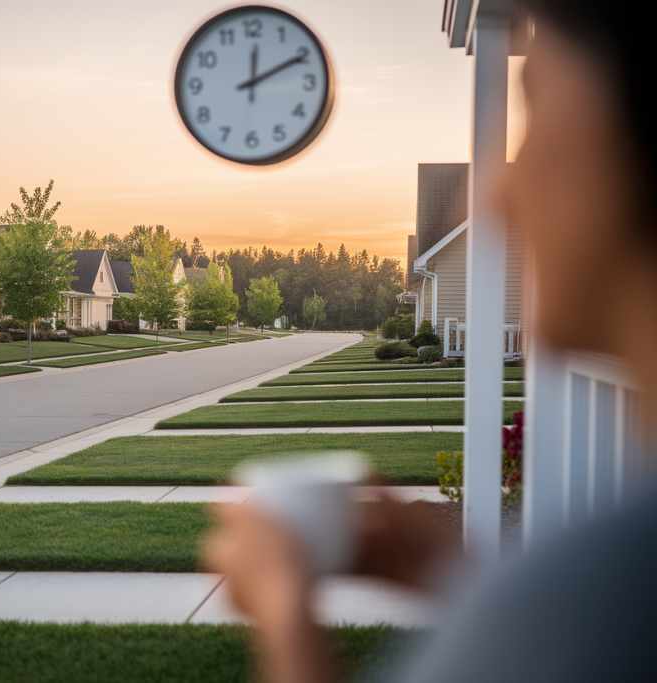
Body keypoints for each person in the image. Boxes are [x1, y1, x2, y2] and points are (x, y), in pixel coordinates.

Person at [205, 2, 657, 681]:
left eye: (537, 109)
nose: (500, 193)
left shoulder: (615, 567)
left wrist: (283, 604)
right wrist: (451, 575)